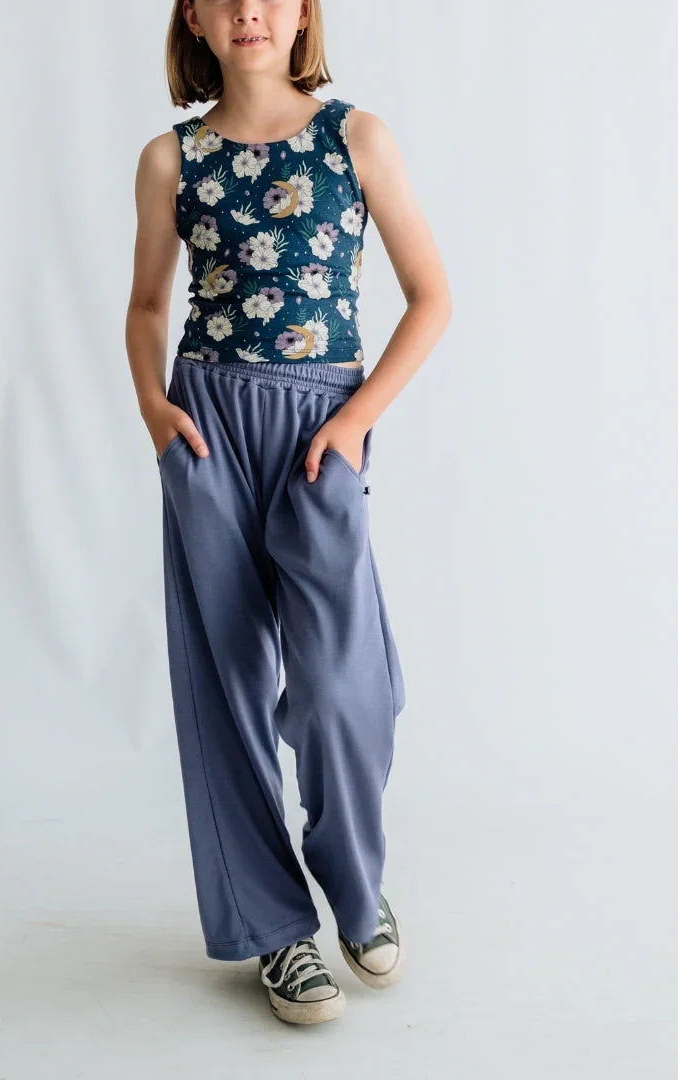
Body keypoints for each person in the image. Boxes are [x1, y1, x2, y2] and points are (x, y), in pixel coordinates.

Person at [126, 0, 451, 1025]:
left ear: (303, 8)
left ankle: (353, 882)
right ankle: (273, 930)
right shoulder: (170, 158)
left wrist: (356, 422)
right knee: (223, 677)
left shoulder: (356, 136)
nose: (247, 10)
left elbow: (430, 294)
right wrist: (153, 411)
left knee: (344, 685)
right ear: (194, 15)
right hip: (209, 421)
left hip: (323, 426)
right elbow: (144, 306)